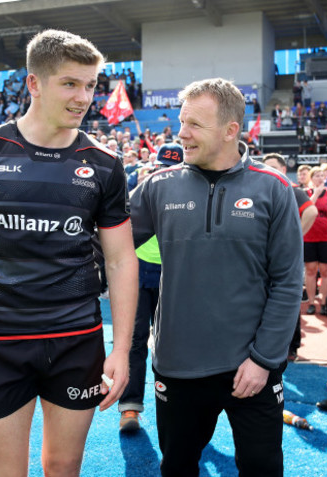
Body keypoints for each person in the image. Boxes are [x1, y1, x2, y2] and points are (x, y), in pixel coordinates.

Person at [0, 30, 138, 477]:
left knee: (63, 467)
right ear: (34, 83)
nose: (84, 97)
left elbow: (120, 260)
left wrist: (123, 348)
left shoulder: (104, 163)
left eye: (91, 85)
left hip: (77, 339)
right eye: (70, 83)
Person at [130, 78, 303, 476]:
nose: (182, 135)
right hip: (178, 367)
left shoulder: (273, 189)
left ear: (230, 130)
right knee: (177, 467)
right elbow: (107, 246)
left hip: (252, 368)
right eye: (181, 122)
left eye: (194, 125)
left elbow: (288, 282)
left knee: (261, 468)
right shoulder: (157, 187)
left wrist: (262, 360)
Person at [118, 144, 183, 432]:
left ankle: (180, 407)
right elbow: (119, 230)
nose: (165, 171)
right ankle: (130, 408)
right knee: (135, 341)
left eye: (172, 166)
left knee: (175, 344)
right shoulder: (143, 191)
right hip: (141, 273)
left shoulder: (195, 192)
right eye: (161, 166)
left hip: (178, 275)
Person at [262, 153, 317, 360]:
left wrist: (295, 239)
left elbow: (310, 212)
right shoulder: (264, 188)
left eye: (273, 167)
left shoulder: (290, 188)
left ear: (284, 169)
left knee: (285, 299)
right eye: (266, 167)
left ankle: (291, 347)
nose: (269, 170)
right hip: (265, 257)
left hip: (284, 259)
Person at [303, 167, 327, 315]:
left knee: (325, 271)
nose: (319, 178)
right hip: (309, 237)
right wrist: (315, 194)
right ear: (311, 178)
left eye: (322, 175)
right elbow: (304, 210)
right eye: (316, 175)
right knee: (310, 270)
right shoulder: (306, 193)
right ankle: (311, 302)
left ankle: (324, 302)